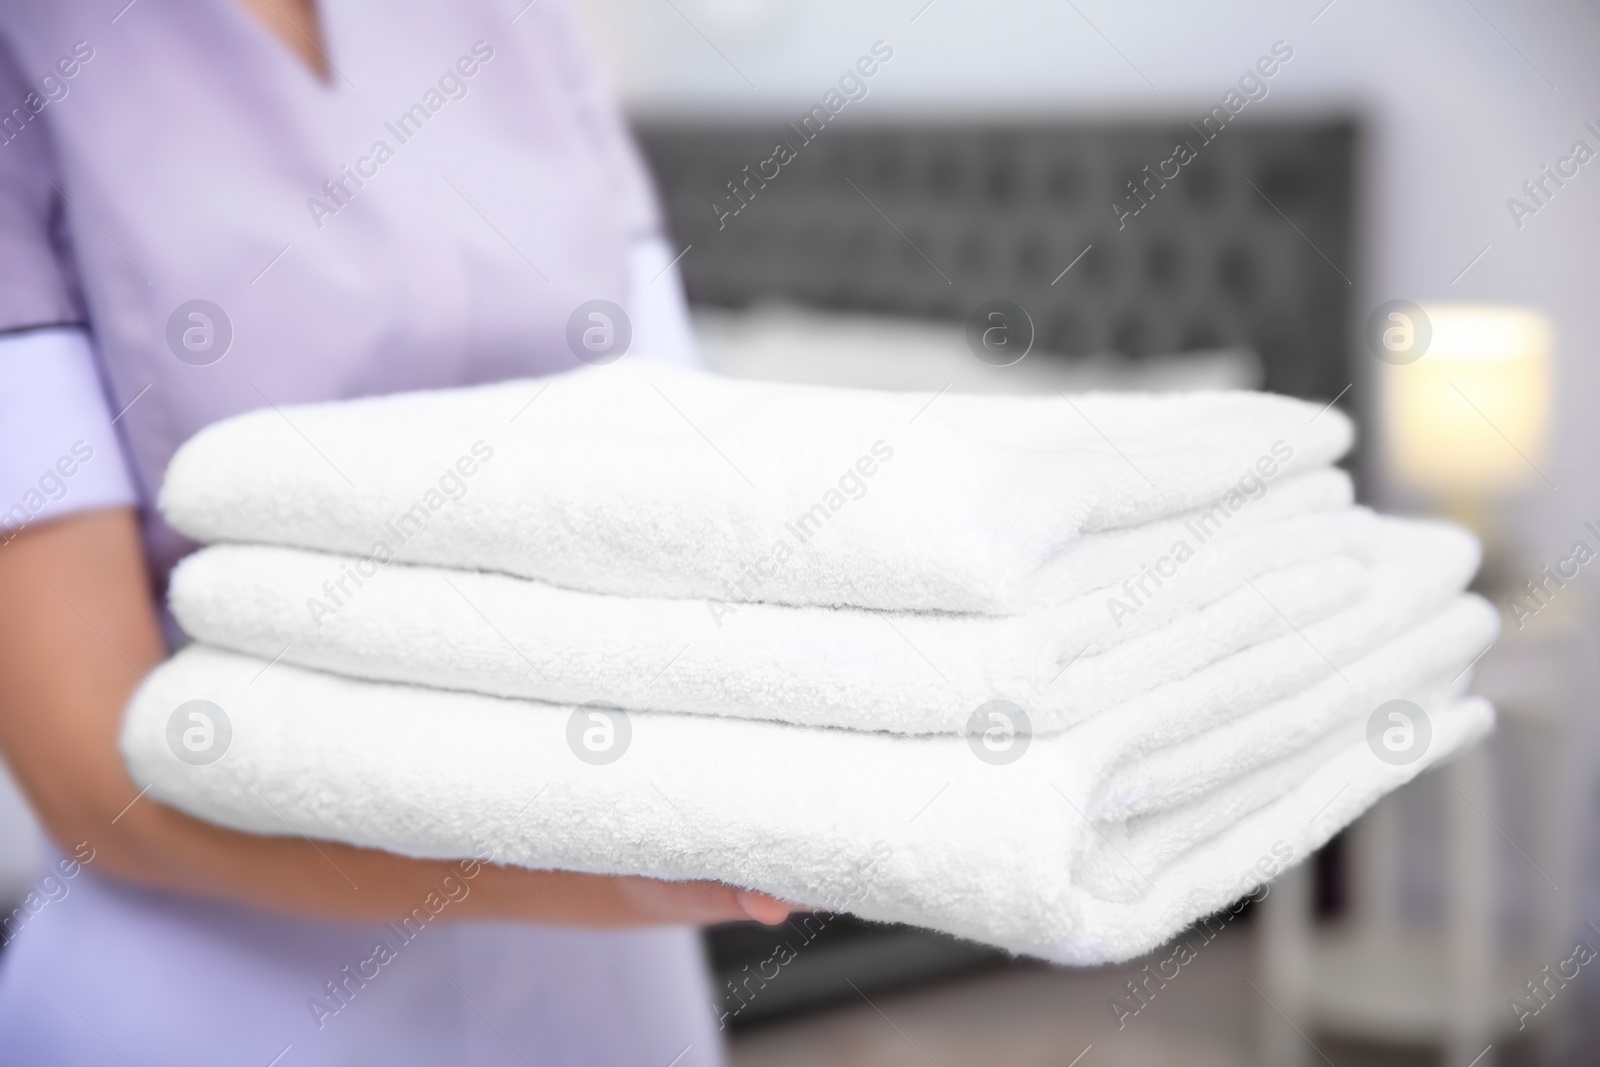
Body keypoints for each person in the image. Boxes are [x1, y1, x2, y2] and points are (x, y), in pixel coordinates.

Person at [0, 1, 791, 1062]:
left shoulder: (520, 26)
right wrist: (616, 867)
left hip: (617, 1008)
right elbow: (97, 764)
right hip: (219, 1012)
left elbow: (684, 491)